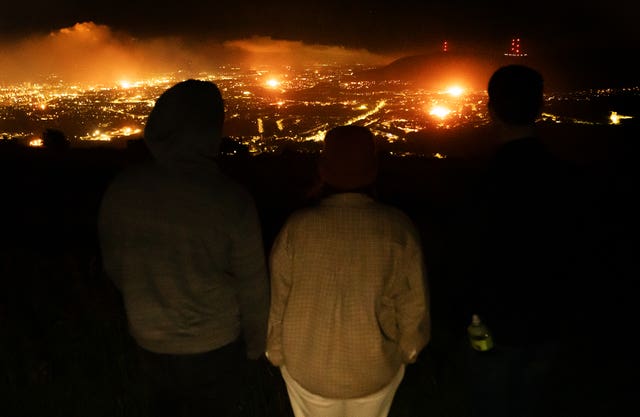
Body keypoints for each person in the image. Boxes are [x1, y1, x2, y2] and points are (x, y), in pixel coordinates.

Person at [98, 79, 269, 417]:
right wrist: (256, 347)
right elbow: (253, 286)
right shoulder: (230, 199)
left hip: (150, 338)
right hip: (215, 342)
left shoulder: (122, 190)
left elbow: (115, 267)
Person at [266, 125, 430, 417]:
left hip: (307, 367)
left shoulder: (297, 227)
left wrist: (276, 353)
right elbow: (413, 304)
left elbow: (279, 302)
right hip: (375, 368)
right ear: (373, 169)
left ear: (323, 169)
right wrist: (409, 350)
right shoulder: (397, 227)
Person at [456, 65, 580, 417]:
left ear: (490, 109)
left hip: (493, 325)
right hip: (549, 321)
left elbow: (466, 257)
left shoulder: (478, 180)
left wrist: (465, 315)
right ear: (540, 107)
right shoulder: (568, 178)